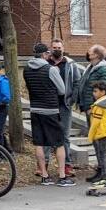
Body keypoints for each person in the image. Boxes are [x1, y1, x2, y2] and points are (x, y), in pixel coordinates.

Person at [23, 43, 70, 185]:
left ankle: (44, 175)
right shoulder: (51, 69)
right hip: (50, 109)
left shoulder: (26, 69)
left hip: (35, 109)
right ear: (44, 54)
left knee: (39, 143)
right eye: (47, 53)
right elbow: (62, 90)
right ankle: (62, 176)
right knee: (59, 143)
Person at [77, 45, 106, 180]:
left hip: (98, 110)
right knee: (97, 142)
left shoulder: (103, 69)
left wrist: (94, 107)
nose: (88, 53)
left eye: (90, 52)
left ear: (96, 55)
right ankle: (104, 170)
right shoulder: (91, 68)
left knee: (100, 142)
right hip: (91, 108)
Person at [49, 39, 81, 180]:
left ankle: (67, 165)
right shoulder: (46, 64)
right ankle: (44, 166)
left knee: (65, 136)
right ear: (50, 49)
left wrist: (71, 99)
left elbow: (77, 82)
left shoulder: (70, 64)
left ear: (63, 48)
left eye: (59, 47)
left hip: (64, 105)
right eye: (54, 47)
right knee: (48, 136)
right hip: (49, 105)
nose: (57, 49)